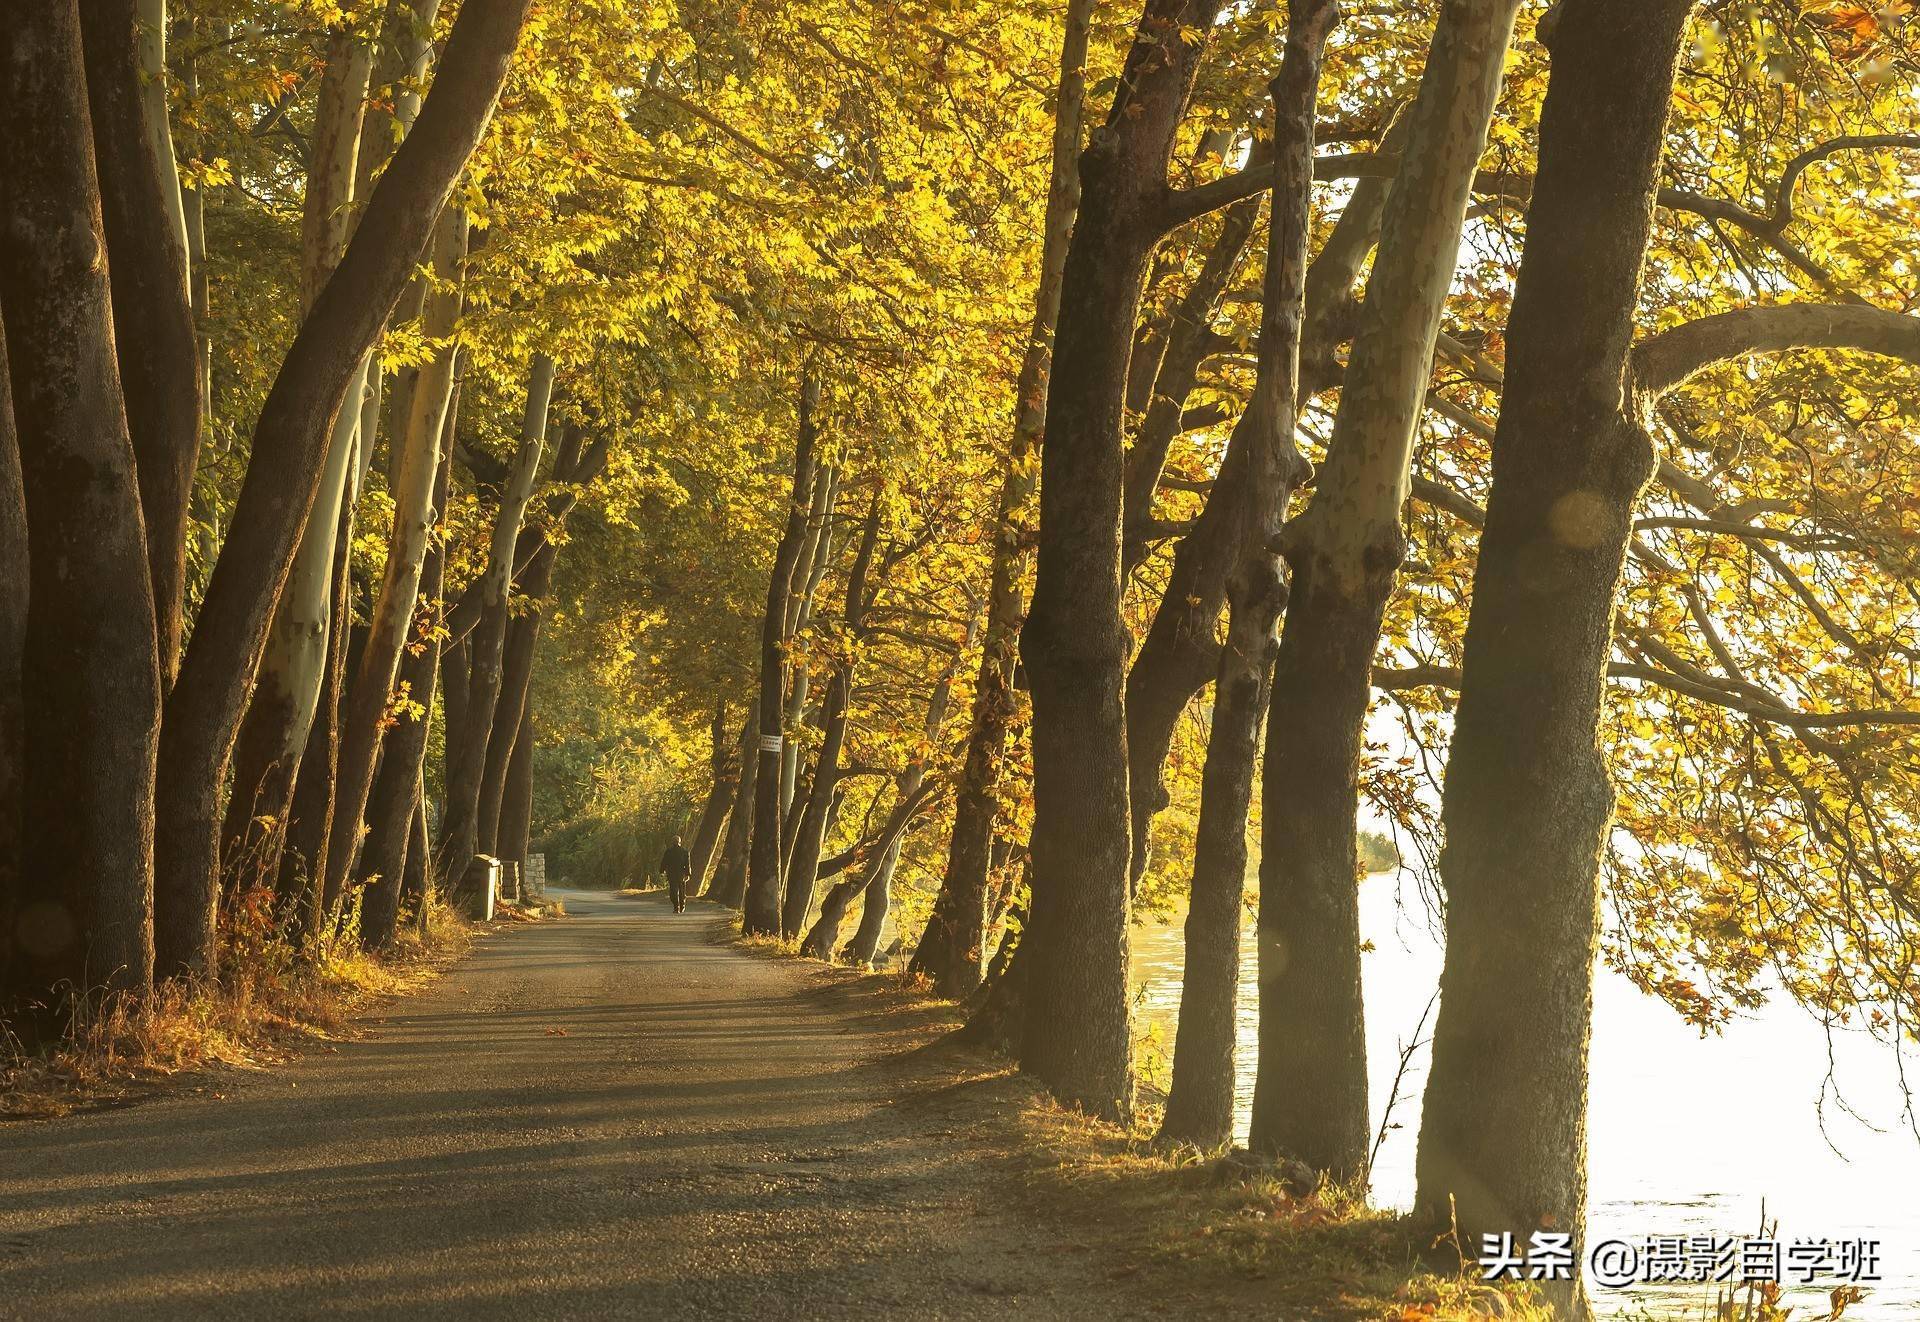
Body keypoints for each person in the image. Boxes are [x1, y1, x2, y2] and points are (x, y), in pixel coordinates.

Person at [660, 835, 691, 913]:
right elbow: (687, 864)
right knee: (682, 891)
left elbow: (664, 862)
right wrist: (688, 874)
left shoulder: (668, 851)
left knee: (673, 890)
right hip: (681, 874)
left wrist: (661, 871)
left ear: (672, 842)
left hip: (671, 874)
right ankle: (682, 906)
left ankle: (676, 907)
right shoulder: (685, 851)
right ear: (680, 842)